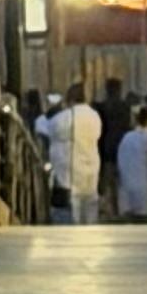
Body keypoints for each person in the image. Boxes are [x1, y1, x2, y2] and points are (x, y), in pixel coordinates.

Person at [46, 82, 100, 224]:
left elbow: (50, 129)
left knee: (71, 204)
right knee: (89, 201)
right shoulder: (94, 116)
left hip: (69, 167)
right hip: (90, 164)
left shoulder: (64, 118)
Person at [98, 78, 131, 218]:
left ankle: (110, 209)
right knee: (120, 181)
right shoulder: (125, 107)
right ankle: (119, 209)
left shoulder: (102, 107)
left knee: (108, 181)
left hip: (106, 149)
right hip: (122, 147)